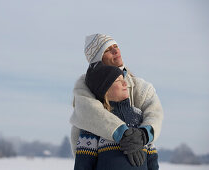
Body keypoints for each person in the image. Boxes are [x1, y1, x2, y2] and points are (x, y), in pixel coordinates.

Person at [70, 34, 163, 169]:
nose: (116, 51)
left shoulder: (142, 87)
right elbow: (89, 111)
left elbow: (155, 114)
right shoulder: (86, 85)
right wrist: (123, 133)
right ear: (98, 60)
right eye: (107, 50)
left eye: (116, 46)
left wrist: (143, 135)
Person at [74, 61, 149, 169]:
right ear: (105, 90)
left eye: (124, 80)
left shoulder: (140, 117)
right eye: (118, 81)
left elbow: (152, 158)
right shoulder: (94, 121)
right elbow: (83, 164)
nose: (125, 83)